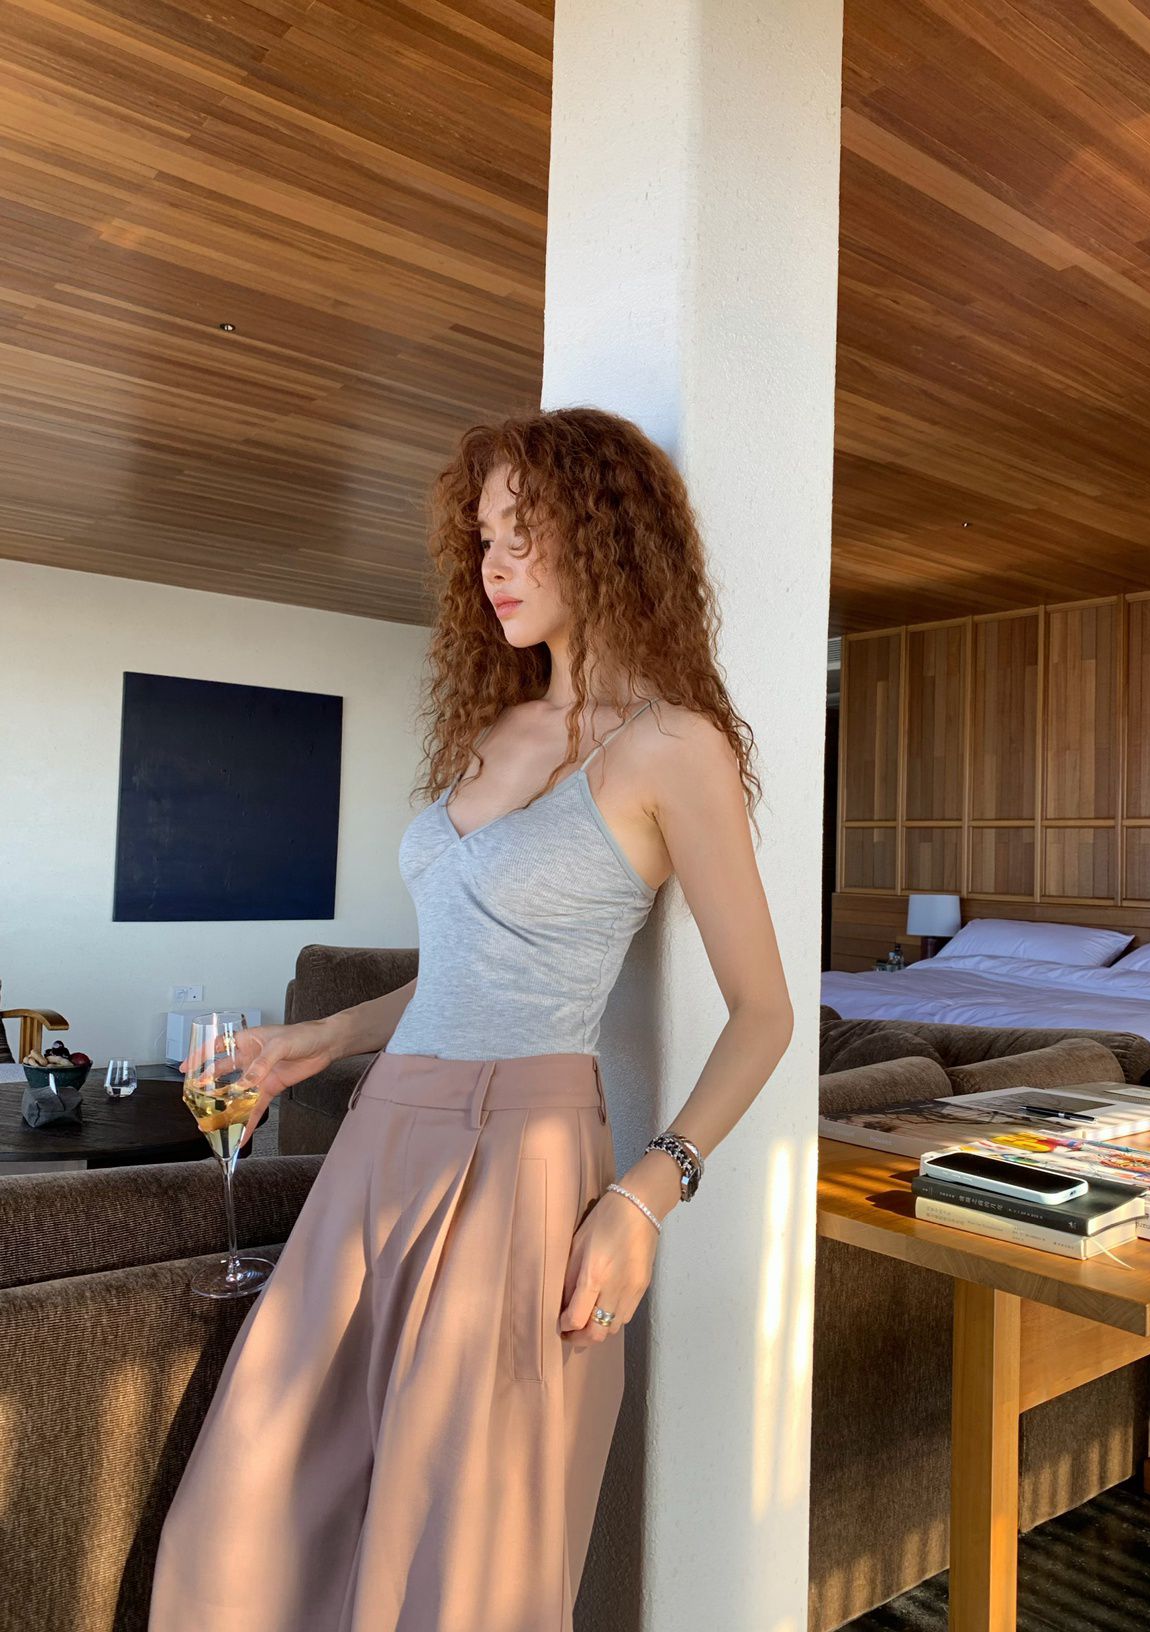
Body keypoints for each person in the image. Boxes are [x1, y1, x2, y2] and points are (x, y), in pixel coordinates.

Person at [148, 405, 794, 1632]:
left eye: (523, 531)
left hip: (523, 1159)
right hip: (382, 1137)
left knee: (455, 1554)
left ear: (605, 536)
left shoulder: (671, 749)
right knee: (250, 1500)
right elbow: (462, 968)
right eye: (483, 537)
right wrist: (319, 1040)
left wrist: (643, 1197)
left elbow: (764, 1015)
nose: (494, 564)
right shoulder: (490, 730)